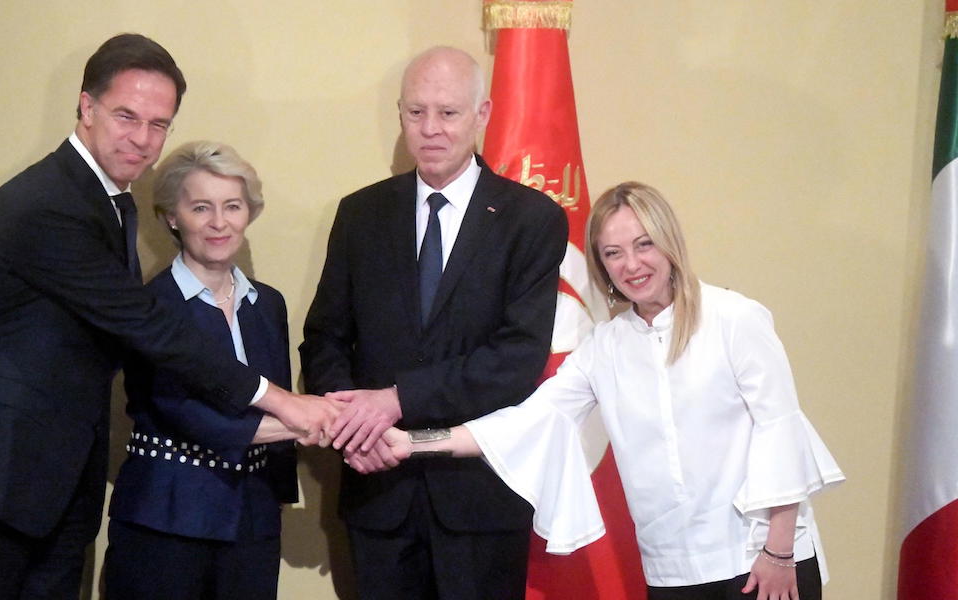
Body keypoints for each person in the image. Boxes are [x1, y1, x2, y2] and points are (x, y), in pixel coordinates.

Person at [0, 35, 332, 600]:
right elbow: (148, 327)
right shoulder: (47, 204)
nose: (142, 138)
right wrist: (283, 401)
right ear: (86, 107)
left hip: (52, 491)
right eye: (126, 116)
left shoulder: (110, 202)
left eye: (159, 124)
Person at [362, 182, 846, 600]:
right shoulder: (604, 347)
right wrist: (411, 442)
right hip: (672, 569)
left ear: (669, 243)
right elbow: (527, 422)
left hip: (760, 558)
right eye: (613, 253)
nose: (631, 265)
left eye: (643, 245)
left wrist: (779, 551)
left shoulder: (735, 318)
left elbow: (780, 431)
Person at [299, 46, 569, 599]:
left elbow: (516, 359)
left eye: (448, 113)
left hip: (480, 502)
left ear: (482, 114)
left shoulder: (532, 220)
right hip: (377, 491)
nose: (430, 129)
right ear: (400, 114)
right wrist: (355, 427)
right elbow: (324, 338)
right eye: (416, 112)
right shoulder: (360, 214)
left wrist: (396, 400)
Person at [102, 141, 300, 599]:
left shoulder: (268, 304)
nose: (218, 223)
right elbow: (186, 414)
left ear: (249, 213)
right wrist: (313, 422)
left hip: (252, 522)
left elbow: (279, 400)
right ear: (173, 217)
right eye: (201, 207)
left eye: (232, 206)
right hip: (166, 520)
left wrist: (277, 495)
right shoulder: (149, 308)